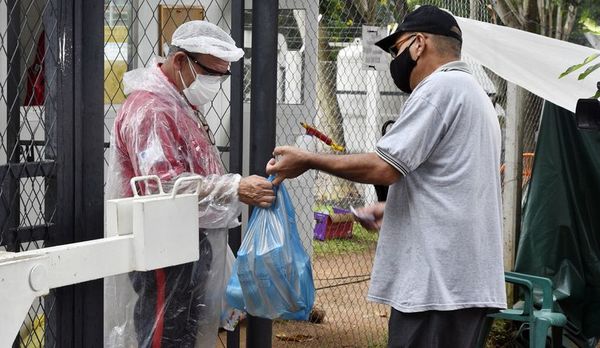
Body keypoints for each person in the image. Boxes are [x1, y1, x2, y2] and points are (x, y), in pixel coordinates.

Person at [266, 5, 506, 347]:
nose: (396, 59)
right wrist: (393, 209)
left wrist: (308, 159)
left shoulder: (439, 89)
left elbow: (384, 166)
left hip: (435, 286)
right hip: (463, 283)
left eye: (397, 49)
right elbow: (451, 182)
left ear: (419, 44)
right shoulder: (474, 94)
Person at [105, 20, 274, 348]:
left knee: (185, 334)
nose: (215, 83)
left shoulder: (178, 103)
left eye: (222, 75)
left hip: (187, 237)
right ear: (180, 61)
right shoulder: (151, 109)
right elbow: (162, 187)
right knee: (162, 336)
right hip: (161, 244)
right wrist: (234, 188)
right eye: (211, 73)